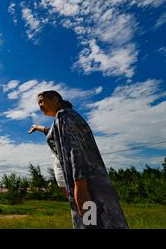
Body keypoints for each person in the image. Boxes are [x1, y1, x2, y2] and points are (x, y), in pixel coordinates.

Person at [28, 90, 128, 229]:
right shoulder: (64, 117)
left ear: (55, 99)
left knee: (93, 223)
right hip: (83, 183)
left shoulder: (64, 117)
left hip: (85, 185)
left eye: (41, 101)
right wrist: (38, 127)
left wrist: (80, 187)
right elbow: (51, 132)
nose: (39, 105)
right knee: (96, 221)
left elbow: (76, 153)